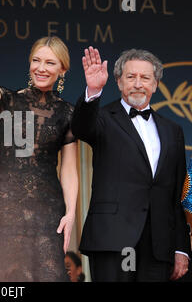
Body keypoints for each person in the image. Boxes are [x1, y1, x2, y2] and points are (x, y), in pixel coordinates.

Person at [0, 0, 78, 281]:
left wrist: (70, 213)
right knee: (4, 274)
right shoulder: (8, 100)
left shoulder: (68, 112)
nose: (41, 68)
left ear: (62, 70)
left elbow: (69, 168)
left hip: (49, 208)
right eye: (36, 60)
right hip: (6, 202)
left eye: (50, 62)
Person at [72, 47, 190, 281]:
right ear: (118, 82)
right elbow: (81, 128)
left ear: (155, 84)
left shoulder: (173, 130)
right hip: (112, 239)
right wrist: (93, 91)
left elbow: (175, 194)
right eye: (131, 77)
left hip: (158, 245)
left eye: (145, 78)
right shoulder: (102, 118)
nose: (138, 84)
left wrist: (181, 247)